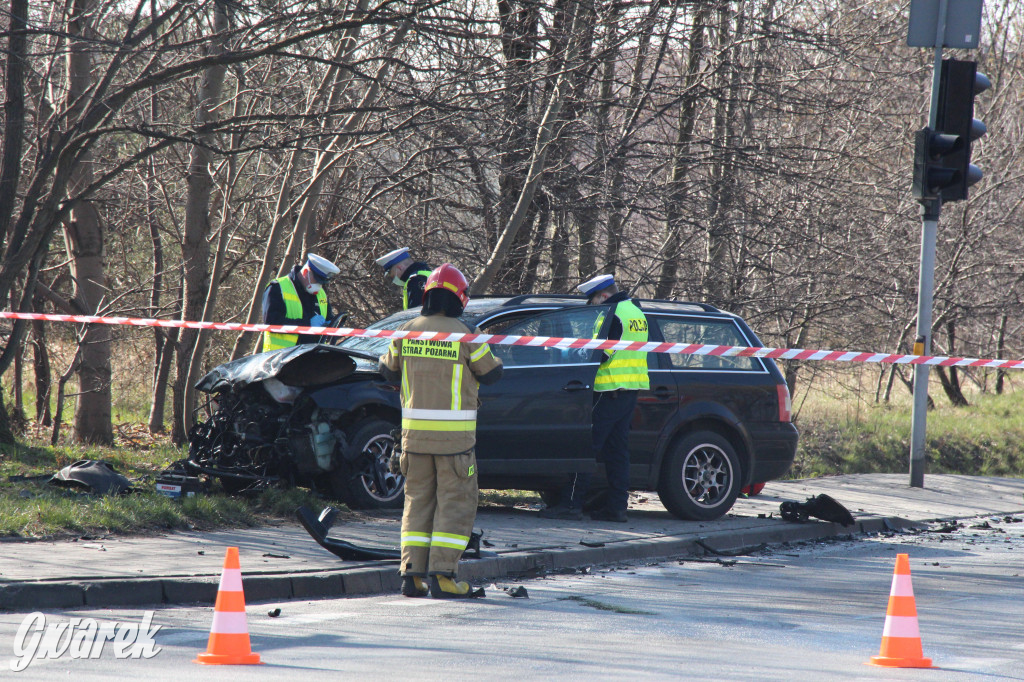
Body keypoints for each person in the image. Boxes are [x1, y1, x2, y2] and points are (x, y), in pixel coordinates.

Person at [379, 264, 503, 598]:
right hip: (455, 443)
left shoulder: (406, 331)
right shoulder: (465, 335)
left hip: (413, 440)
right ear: (459, 298)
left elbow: (386, 370)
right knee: (455, 503)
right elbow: (491, 373)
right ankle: (444, 577)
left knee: (416, 503)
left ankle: (412, 576)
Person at [539, 274, 649, 523]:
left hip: (607, 390)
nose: (592, 305)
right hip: (629, 390)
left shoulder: (612, 313)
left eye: (593, 300)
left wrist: (565, 352)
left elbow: (599, 353)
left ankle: (570, 504)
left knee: (586, 448)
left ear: (604, 296)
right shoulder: (635, 311)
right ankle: (617, 508)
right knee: (617, 453)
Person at [261, 253, 340, 351]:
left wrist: (330, 325)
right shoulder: (277, 288)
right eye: (317, 280)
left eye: (322, 283)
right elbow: (272, 323)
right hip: (280, 359)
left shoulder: (321, 293)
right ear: (306, 272)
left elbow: (328, 317)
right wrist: (307, 324)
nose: (319, 286)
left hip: (311, 357)